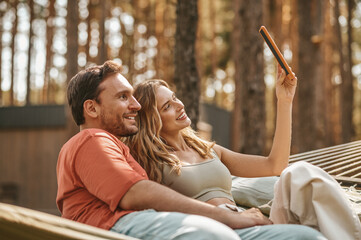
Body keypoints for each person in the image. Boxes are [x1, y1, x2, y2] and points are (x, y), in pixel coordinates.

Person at [56, 60, 325, 240]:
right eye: (123, 97)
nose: (135, 106)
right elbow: (136, 192)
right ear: (91, 108)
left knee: (306, 236)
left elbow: (273, 166)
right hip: (111, 230)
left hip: (204, 221)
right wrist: (228, 217)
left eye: (133, 96)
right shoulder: (90, 140)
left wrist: (284, 101)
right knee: (218, 236)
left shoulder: (117, 148)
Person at [125, 69, 361, 240]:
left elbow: (275, 165)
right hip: (221, 230)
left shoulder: (207, 149)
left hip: (250, 220)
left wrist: (284, 101)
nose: (179, 105)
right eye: (167, 106)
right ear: (152, 121)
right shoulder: (149, 161)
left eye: (175, 98)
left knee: (300, 173)